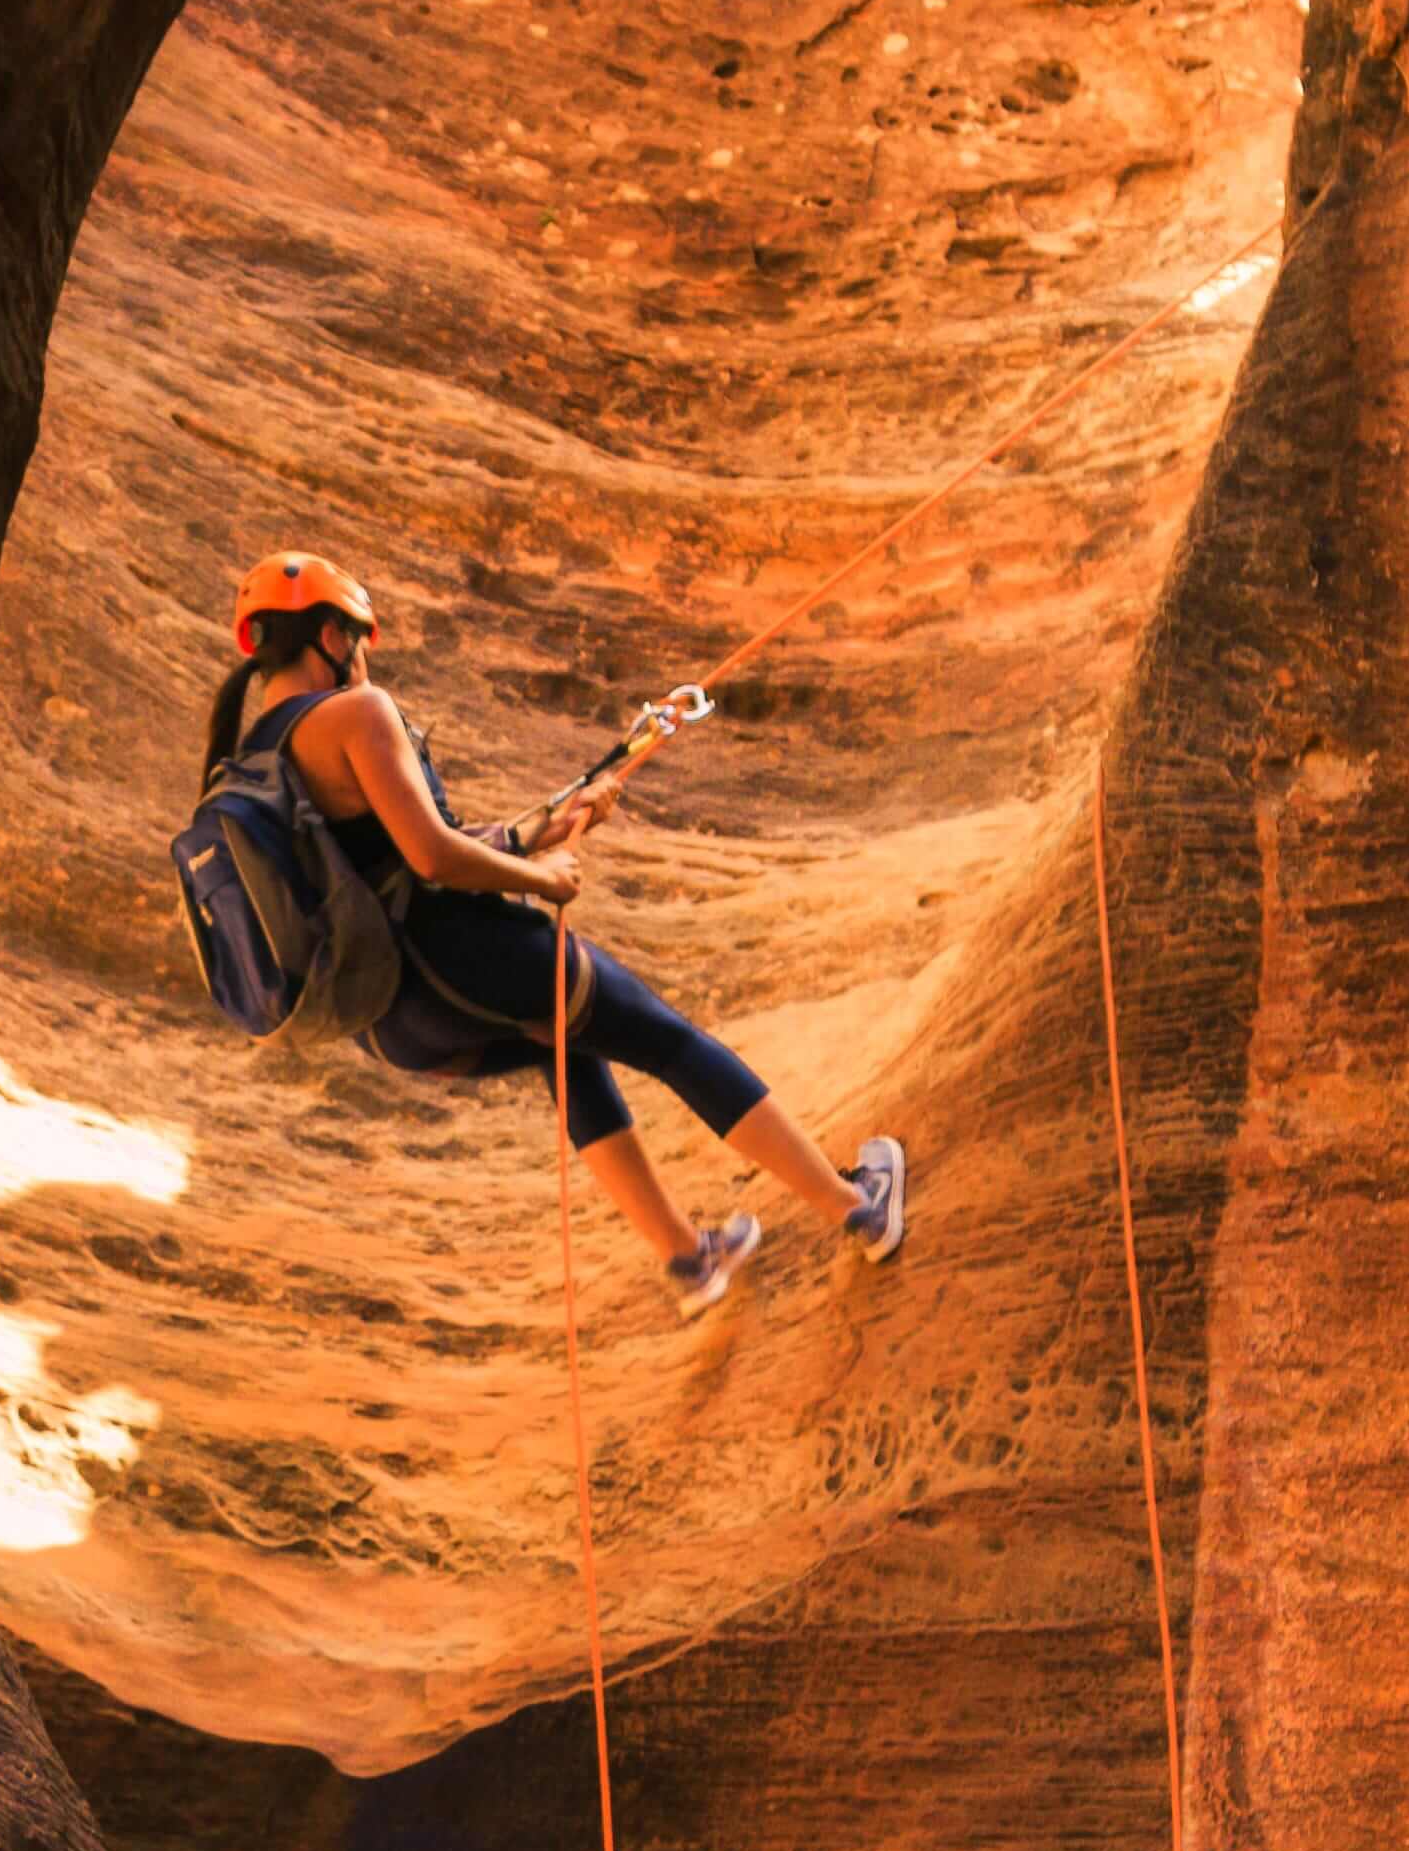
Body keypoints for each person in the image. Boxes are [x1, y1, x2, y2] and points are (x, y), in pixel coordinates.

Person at [205, 553, 906, 1317]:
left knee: (560, 1050)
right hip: (463, 958)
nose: (365, 656)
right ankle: (857, 1207)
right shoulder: (356, 714)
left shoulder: (252, 764)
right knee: (669, 1042)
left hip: (391, 1021)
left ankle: (686, 1258)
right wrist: (547, 880)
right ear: (332, 635)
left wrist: (542, 830)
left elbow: (403, 856)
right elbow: (433, 856)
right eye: (360, 638)